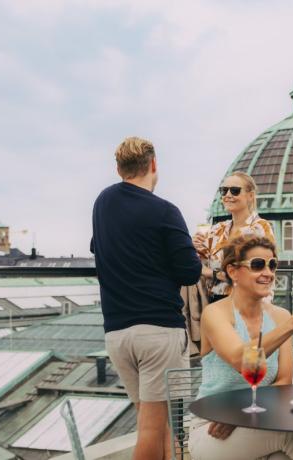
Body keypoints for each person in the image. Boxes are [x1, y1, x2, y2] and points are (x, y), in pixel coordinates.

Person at [91, 137, 203, 460]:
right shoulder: (165, 211)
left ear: (118, 169)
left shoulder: (102, 203)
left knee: (161, 423)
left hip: (117, 334)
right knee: (153, 428)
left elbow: (101, 248)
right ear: (154, 165)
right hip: (158, 332)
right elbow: (189, 273)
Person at [190, 235, 293, 460]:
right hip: (211, 428)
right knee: (292, 435)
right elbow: (241, 360)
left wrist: (241, 414)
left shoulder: (281, 316)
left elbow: (283, 382)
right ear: (233, 271)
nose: (269, 273)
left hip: (259, 421)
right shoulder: (215, 314)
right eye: (257, 265)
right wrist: (292, 325)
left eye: (272, 264)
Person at [193, 172, 275, 303]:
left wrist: (218, 274)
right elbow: (194, 266)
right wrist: (194, 246)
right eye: (224, 191)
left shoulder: (260, 228)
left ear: (250, 196)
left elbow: (261, 270)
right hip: (216, 303)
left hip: (249, 302)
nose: (228, 195)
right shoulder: (216, 230)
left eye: (235, 191)